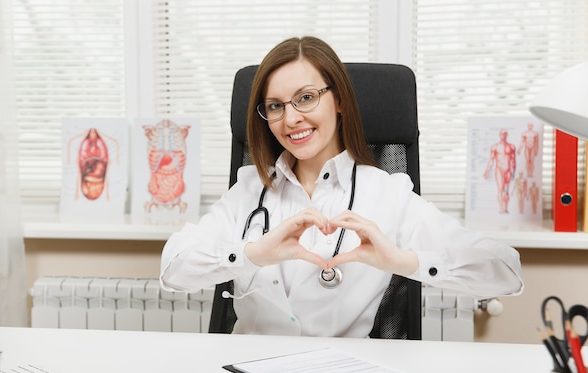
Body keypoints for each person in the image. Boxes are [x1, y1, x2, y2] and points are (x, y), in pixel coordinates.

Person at [159, 36, 523, 338]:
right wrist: (252, 254)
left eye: (306, 97)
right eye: (275, 106)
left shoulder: (386, 194)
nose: (291, 118)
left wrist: (402, 261)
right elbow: (173, 269)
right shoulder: (250, 189)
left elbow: (505, 271)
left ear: (340, 101)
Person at [483, 129, 517, 214]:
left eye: (505, 134)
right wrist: (487, 171)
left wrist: (514, 171)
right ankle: (501, 208)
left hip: (508, 170)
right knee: (500, 189)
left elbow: (513, 160)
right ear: (500, 135)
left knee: (506, 190)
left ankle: (506, 208)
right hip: (499, 170)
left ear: (507, 135)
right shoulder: (495, 147)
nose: (503, 135)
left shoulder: (511, 147)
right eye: (502, 134)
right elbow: (491, 160)